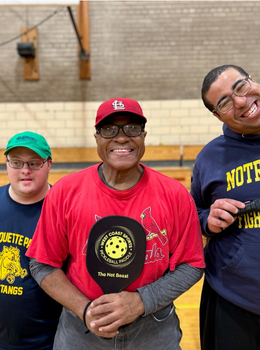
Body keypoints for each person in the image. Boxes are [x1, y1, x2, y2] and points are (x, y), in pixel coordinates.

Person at [26, 98, 205, 350]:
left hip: (154, 332)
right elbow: (42, 263)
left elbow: (192, 264)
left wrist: (141, 302)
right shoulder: (65, 192)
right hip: (80, 334)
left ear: (144, 136)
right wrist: (86, 310)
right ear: (97, 138)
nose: (121, 138)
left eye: (132, 128)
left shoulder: (174, 194)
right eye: (109, 130)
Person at [190, 64, 260, 350]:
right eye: (225, 103)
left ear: (253, 80)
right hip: (234, 299)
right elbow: (192, 215)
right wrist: (208, 219)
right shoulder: (210, 158)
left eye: (241, 87)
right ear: (217, 115)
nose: (241, 102)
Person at [0, 131, 62, 350]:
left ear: (48, 164)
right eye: (16, 163)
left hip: (50, 342)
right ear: (7, 164)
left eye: (34, 163)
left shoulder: (63, 209)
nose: (25, 170)